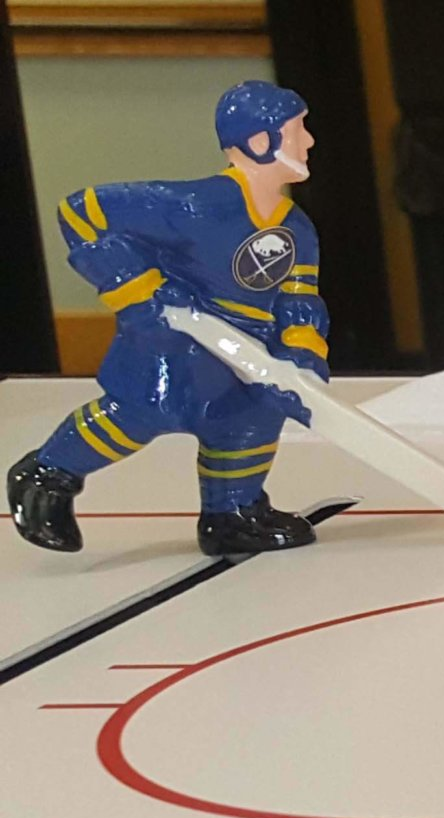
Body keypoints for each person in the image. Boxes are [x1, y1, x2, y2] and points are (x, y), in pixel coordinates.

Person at [8, 80, 330, 557]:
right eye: (298, 130)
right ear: (260, 141)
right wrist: (138, 292)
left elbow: (299, 295)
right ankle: (46, 476)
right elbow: (80, 213)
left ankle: (232, 514)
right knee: (141, 413)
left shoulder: (297, 229)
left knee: (250, 418)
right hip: (174, 343)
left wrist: (300, 354)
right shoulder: (193, 205)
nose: (309, 141)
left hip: (244, 354)